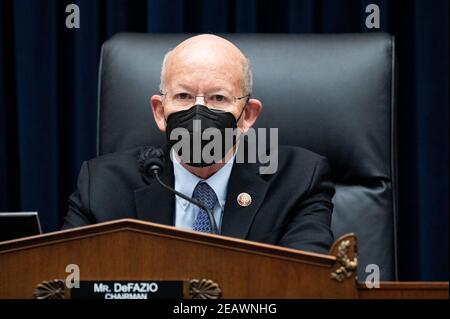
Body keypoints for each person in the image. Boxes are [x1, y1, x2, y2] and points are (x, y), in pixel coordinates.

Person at [63, 34, 335, 254]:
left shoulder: (299, 180)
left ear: (248, 115)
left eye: (218, 98)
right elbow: (64, 279)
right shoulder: (101, 185)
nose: (198, 113)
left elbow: (305, 283)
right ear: (160, 111)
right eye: (183, 95)